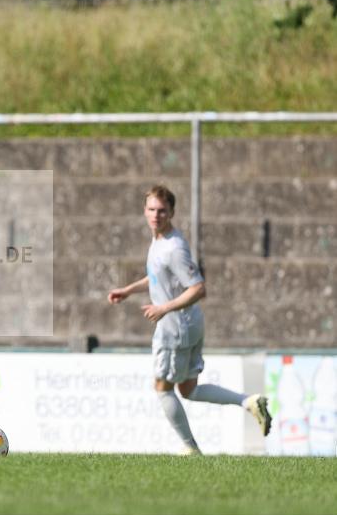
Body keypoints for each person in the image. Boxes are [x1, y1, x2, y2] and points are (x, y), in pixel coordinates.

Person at [107, 185, 271, 455]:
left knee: (162, 388)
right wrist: (128, 290)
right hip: (188, 324)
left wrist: (164, 309)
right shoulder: (159, 241)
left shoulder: (174, 247)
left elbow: (198, 289)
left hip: (175, 328)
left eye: (162, 210)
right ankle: (250, 402)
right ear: (144, 210)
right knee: (189, 389)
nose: (156, 215)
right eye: (151, 209)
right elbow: (160, 276)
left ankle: (190, 448)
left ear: (171, 212)